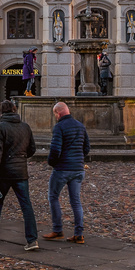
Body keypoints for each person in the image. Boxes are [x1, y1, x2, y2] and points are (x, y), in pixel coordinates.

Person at [0, 99, 40, 250]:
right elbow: (32, 149)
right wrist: (21, 158)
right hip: (21, 172)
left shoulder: (0, 127)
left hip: (4, 173)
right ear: (14, 110)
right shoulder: (25, 127)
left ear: (1, 112)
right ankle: (32, 240)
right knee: (26, 206)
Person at [41, 101, 89, 244]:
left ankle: (57, 230)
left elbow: (55, 150)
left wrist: (52, 162)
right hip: (78, 169)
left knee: (53, 197)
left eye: (55, 113)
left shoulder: (59, 127)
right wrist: (78, 159)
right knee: (76, 201)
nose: (55, 116)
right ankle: (78, 234)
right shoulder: (80, 126)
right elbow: (86, 148)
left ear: (58, 112)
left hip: (62, 169)